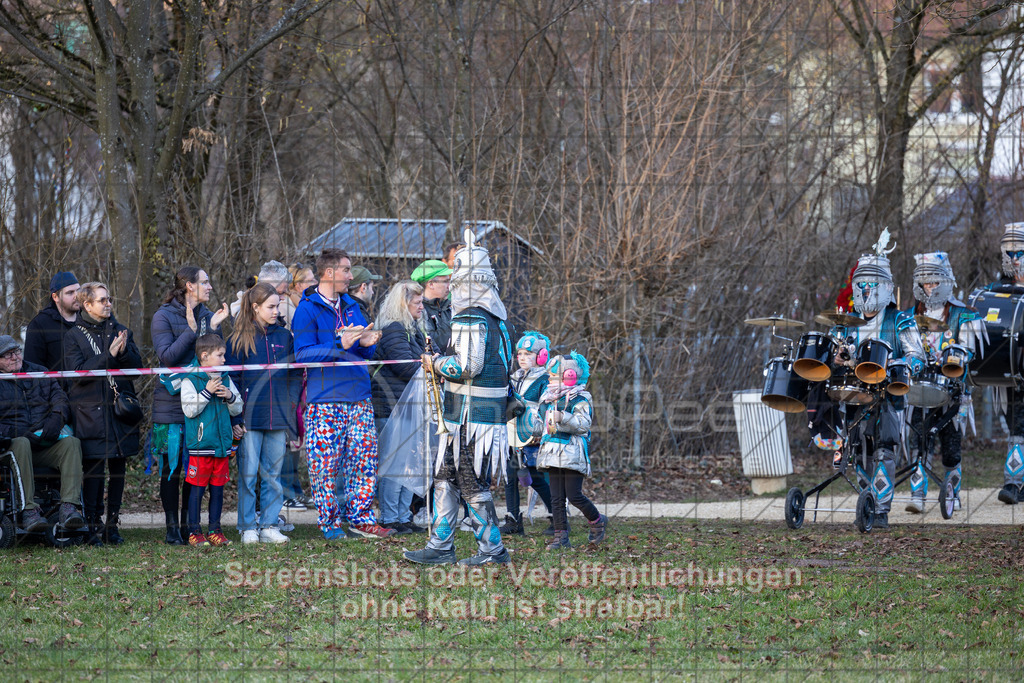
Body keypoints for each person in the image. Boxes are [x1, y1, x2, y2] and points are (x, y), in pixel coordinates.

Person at [404, 230, 513, 566]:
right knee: (446, 478)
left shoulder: (470, 316)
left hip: (471, 416)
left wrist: (434, 362)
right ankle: (441, 545)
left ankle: (492, 550)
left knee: (469, 480)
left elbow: (467, 365)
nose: (453, 288)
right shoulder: (497, 317)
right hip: (473, 414)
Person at [292, 248, 393, 540]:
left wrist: (367, 342)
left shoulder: (351, 305)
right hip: (325, 400)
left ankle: (361, 519)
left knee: (364, 460)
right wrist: (340, 343)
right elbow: (303, 354)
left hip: (359, 395)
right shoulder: (307, 308)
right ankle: (330, 523)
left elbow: (360, 350)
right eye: (347, 270)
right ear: (329, 273)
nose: (351, 276)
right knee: (324, 466)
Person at [829, 234, 926, 529]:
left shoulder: (900, 321)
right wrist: (838, 357)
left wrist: (899, 365)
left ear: (884, 286)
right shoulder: (847, 322)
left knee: (884, 447)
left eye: (872, 284)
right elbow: (834, 354)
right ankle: (867, 502)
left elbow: (918, 356)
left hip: (889, 395)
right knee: (857, 445)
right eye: (862, 284)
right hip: (856, 394)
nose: (866, 289)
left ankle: (881, 509)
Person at [150, 266, 230, 545]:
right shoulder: (163, 315)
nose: (210, 286)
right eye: (204, 282)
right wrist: (191, 331)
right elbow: (167, 357)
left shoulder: (208, 316)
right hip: (170, 405)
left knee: (196, 468)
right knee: (171, 469)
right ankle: (172, 527)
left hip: (202, 405)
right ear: (188, 286)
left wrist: (214, 328)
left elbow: (213, 357)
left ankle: (190, 527)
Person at [63, 282, 143, 545]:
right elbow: (78, 374)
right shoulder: (73, 335)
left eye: (109, 299)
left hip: (120, 413)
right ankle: (92, 525)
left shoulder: (120, 330)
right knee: (94, 471)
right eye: (102, 300)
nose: (108, 303)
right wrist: (108, 356)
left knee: (118, 468)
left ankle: (113, 524)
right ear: (87, 305)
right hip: (90, 414)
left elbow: (136, 367)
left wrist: (122, 352)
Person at [904, 252, 981, 513]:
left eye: (935, 282)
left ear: (945, 281)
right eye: (926, 282)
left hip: (953, 390)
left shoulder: (962, 314)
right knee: (919, 438)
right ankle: (917, 495)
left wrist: (957, 353)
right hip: (919, 388)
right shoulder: (909, 315)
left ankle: (952, 494)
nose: (930, 287)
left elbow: (971, 350)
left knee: (950, 445)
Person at [227, 282, 300, 544]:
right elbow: (231, 382)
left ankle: (269, 524)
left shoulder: (284, 337)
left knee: (273, 474)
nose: (275, 311)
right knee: (248, 475)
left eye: (277, 306)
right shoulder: (236, 339)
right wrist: (236, 417)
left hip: (278, 417)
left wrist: (290, 405)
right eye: (270, 306)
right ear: (255, 307)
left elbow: (294, 375)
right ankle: (247, 526)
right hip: (249, 419)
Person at [0, 335, 85, 532]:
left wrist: (56, 418)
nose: (15, 357)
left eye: (17, 351)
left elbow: (60, 398)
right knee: (21, 443)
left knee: (71, 443)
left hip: (43, 440)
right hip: (10, 445)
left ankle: (69, 508)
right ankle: (29, 512)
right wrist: (18, 432)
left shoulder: (39, 372)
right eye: (8, 355)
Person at [371, 280, 428, 535]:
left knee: (410, 464)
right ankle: (390, 516)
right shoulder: (394, 330)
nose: (422, 307)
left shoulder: (414, 330)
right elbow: (405, 366)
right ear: (403, 304)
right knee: (393, 465)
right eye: (417, 302)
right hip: (392, 407)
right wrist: (432, 367)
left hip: (410, 406)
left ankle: (404, 516)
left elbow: (431, 355)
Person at [536, 351, 605, 549]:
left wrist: (562, 418)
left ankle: (597, 523)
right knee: (556, 497)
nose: (549, 379)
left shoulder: (581, 398)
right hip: (551, 452)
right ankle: (560, 537)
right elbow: (541, 423)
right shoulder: (548, 398)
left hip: (572, 454)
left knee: (574, 495)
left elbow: (583, 424)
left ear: (569, 376)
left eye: (554, 376)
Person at [181, 334, 244, 547]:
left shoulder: (226, 378)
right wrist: (207, 392)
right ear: (205, 356)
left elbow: (238, 407)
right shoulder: (190, 379)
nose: (224, 359)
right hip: (200, 447)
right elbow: (189, 410)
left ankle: (215, 530)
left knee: (218, 489)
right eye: (220, 355)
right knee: (197, 490)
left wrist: (230, 396)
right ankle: (194, 531)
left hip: (221, 447)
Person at [501, 331, 555, 536]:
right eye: (520, 354)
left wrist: (540, 429)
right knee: (510, 474)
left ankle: (557, 517)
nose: (522, 358)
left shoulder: (544, 379)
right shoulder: (514, 378)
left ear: (541, 356)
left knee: (536, 476)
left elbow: (546, 407)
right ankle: (513, 519)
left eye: (528, 354)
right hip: (513, 435)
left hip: (533, 437)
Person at [991, 223, 1024, 504]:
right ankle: (1013, 484)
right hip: (1013, 368)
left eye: (1020, 252)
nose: (1015, 257)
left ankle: (1015, 484)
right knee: (1016, 423)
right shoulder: (998, 289)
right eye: (1010, 252)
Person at [280, 262, 317, 510]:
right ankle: (287, 491)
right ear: (298, 284)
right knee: (288, 437)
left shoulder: (299, 305)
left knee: (295, 437)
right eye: (310, 280)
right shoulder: (286, 306)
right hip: (286, 379)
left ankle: (295, 488)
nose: (315, 284)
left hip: (298, 379)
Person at [24, 271, 81, 371]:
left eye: (78, 290)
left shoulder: (90, 319)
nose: (76, 296)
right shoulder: (39, 325)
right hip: (57, 385)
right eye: (70, 292)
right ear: (55, 297)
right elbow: (33, 367)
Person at [411, 259, 453, 352]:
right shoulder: (419, 310)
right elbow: (430, 343)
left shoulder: (449, 307)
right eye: (445, 281)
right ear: (431, 284)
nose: (449, 286)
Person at [281, 263, 318, 331]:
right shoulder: (285, 306)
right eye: (311, 280)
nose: (316, 282)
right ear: (299, 286)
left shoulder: (303, 301)